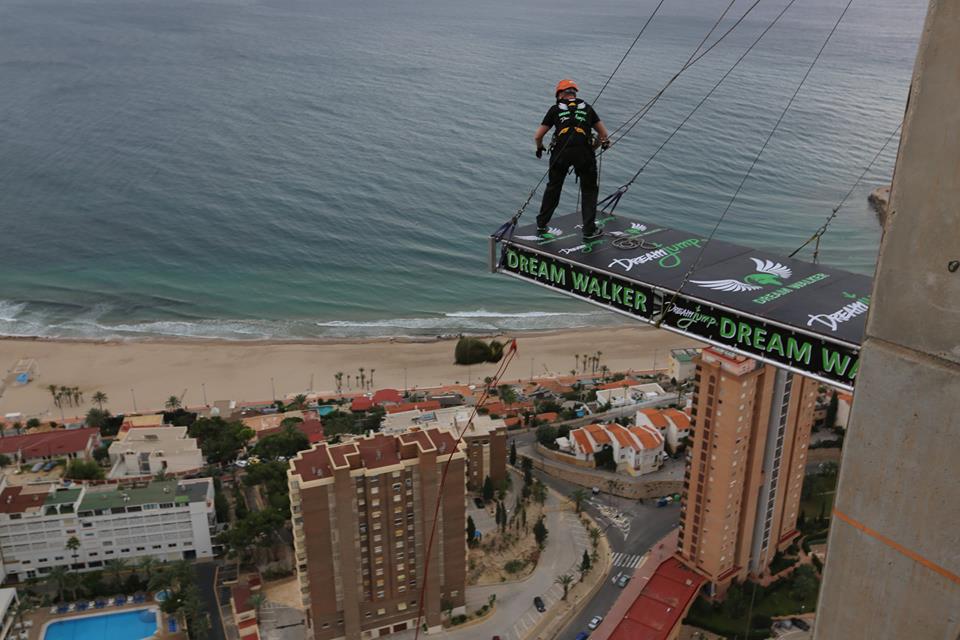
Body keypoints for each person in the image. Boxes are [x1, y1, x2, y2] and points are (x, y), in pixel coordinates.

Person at [534, 79, 610, 240]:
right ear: (574, 93)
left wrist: (539, 147)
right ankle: (589, 230)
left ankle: (541, 223)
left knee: (553, 187)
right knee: (589, 191)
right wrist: (599, 145)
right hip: (584, 154)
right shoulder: (587, 107)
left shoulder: (555, 109)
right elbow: (603, 134)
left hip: (561, 153)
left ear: (559, 94)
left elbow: (538, 135)